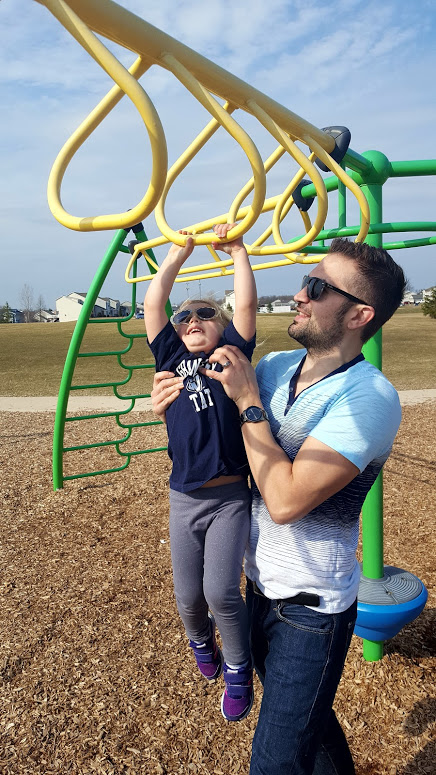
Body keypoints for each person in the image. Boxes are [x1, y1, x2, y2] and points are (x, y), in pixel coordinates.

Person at [151, 237, 406, 774]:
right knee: (310, 729)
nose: (298, 295)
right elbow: (211, 415)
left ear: (360, 314)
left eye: (316, 288)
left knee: (273, 760)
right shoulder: (275, 367)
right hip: (259, 589)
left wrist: (247, 402)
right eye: (304, 283)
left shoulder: (369, 398)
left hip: (310, 610)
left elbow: (287, 500)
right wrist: (171, 403)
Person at [144, 223, 257, 722]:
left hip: (231, 496)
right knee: (188, 598)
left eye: (204, 313)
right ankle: (199, 641)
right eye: (184, 316)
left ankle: (239, 667)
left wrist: (237, 252)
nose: (191, 319)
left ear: (222, 323)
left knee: (221, 593)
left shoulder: (231, 354)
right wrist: (176, 254)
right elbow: (154, 305)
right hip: (184, 497)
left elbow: (248, 308)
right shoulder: (170, 356)